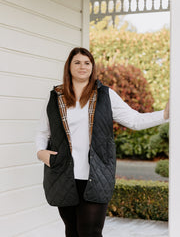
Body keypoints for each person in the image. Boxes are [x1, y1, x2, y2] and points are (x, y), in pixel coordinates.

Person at [36, 47, 169, 237]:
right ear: (69, 67)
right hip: (63, 175)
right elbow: (42, 132)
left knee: (91, 232)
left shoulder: (105, 95)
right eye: (77, 62)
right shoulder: (56, 98)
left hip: (96, 177)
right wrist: (41, 152)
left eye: (87, 63)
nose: (83, 66)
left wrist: (165, 115)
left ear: (92, 67)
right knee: (72, 231)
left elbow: (134, 120)